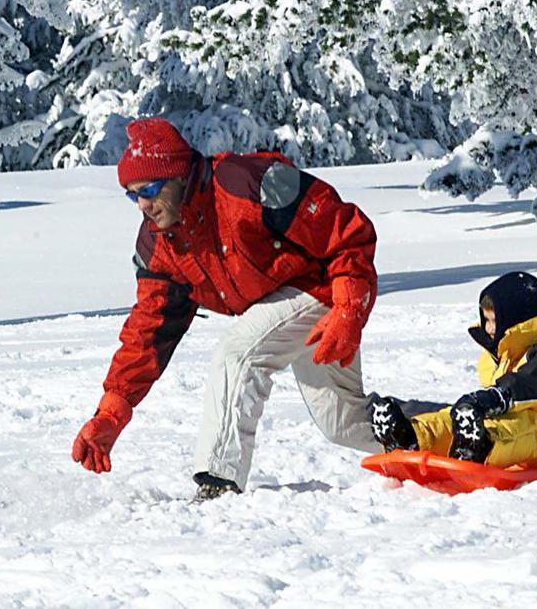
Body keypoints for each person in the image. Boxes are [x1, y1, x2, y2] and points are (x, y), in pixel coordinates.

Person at [71, 117, 381, 501]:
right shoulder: (160, 244)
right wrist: (112, 411)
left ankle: (218, 483)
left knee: (239, 355)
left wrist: (350, 306)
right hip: (282, 306)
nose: (143, 205)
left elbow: (348, 229)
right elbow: (148, 330)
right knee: (345, 422)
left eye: (149, 189)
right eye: (132, 194)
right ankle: (442, 435)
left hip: (321, 285)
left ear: (178, 176)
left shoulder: (246, 184)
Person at [370, 271, 537, 466]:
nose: (488, 328)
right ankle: (411, 437)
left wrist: (498, 397)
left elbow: (533, 382)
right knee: (454, 417)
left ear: (518, 322)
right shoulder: (499, 356)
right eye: (485, 320)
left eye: (493, 321)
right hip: (513, 421)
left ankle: (482, 446)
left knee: (519, 427)